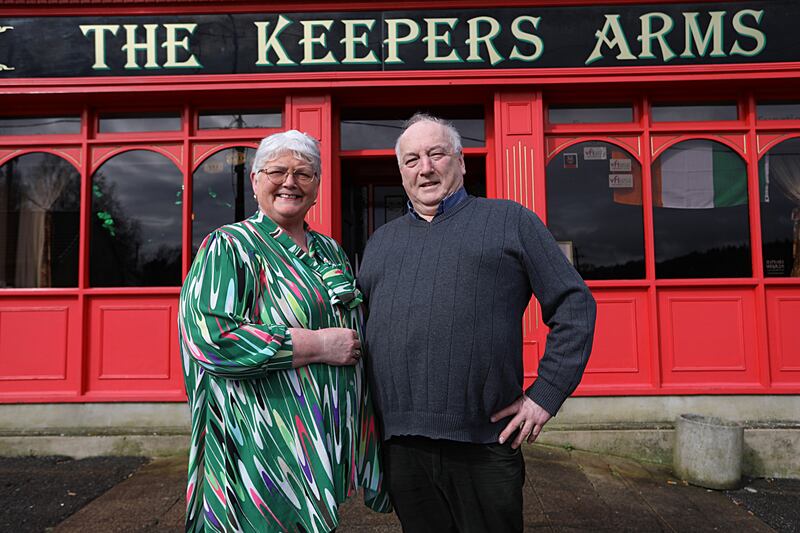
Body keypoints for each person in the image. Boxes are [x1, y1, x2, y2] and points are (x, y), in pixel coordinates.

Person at [358, 113, 597, 533]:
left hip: (483, 443)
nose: (425, 168)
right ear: (401, 173)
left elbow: (574, 304)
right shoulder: (381, 242)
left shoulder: (510, 221)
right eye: (412, 160)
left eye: (436, 154)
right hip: (402, 445)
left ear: (462, 162)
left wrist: (545, 394)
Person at [178, 130, 390, 532]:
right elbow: (212, 339)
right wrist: (318, 344)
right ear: (256, 180)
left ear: (317, 188)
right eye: (277, 171)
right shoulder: (230, 246)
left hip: (319, 437)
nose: (290, 182)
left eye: (304, 174)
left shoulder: (329, 250)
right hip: (258, 443)